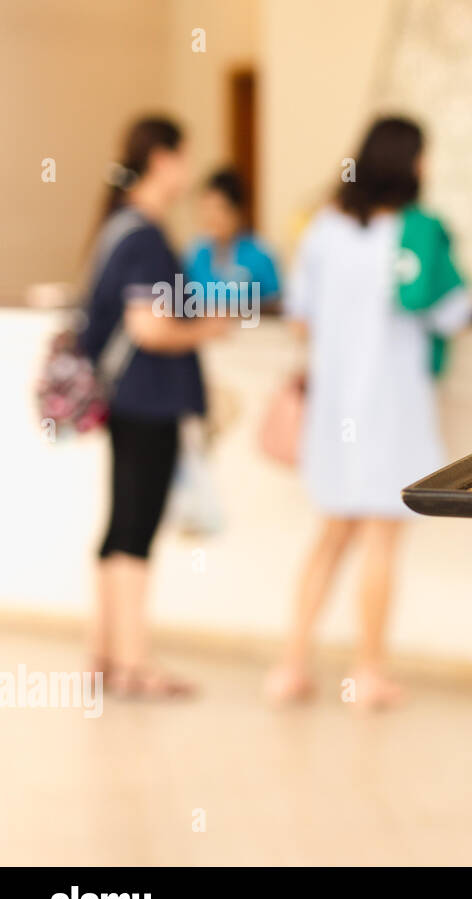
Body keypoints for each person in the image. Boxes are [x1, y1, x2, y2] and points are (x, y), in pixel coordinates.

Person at [265, 117, 472, 709]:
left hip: (336, 407)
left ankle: (290, 665)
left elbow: (300, 318)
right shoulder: (419, 231)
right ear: (407, 163)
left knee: (331, 533)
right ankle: (368, 673)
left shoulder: (323, 229)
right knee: (381, 537)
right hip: (394, 404)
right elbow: (452, 311)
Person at [79, 117, 229, 697]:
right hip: (149, 400)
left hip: (127, 400)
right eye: (185, 158)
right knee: (136, 528)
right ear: (163, 160)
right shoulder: (143, 235)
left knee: (120, 525)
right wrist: (208, 331)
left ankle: (105, 654)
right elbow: (148, 328)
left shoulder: (119, 227)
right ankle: (135, 664)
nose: (189, 173)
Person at [184, 167, 281, 307]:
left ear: (237, 211)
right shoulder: (195, 256)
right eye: (206, 208)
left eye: (219, 208)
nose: (211, 217)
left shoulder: (260, 256)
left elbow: (276, 305)